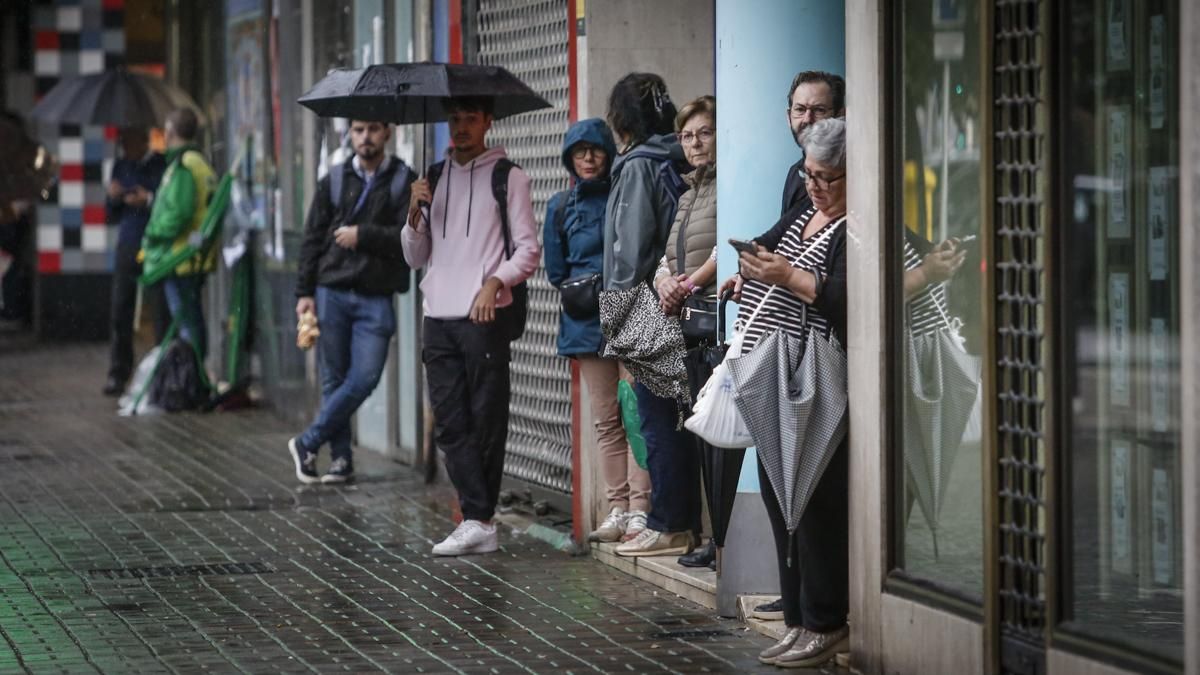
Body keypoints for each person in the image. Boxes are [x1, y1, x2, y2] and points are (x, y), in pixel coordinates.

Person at [721, 70, 846, 623]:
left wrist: (788, 277)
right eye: (799, 109)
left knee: (814, 499)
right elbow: (768, 243)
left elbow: (854, 294)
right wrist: (746, 270)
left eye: (825, 178)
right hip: (781, 367)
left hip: (822, 375)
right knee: (779, 488)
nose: (813, 186)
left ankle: (821, 619)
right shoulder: (803, 195)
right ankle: (797, 614)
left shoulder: (854, 222)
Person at [403, 97, 540, 557]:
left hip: (483, 316)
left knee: (485, 419)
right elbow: (415, 257)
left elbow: (528, 250)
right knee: (449, 422)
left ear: (487, 122)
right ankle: (478, 518)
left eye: (470, 119)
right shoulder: (432, 178)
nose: (460, 127)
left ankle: (478, 519)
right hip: (437, 316)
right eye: (454, 119)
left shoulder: (509, 177)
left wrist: (495, 282)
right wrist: (413, 215)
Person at [601, 72, 700, 558]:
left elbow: (630, 246)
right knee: (672, 419)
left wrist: (617, 318)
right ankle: (673, 520)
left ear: (621, 120)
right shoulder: (675, 157)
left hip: (645, 303)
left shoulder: (639, 164)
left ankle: (669, 523)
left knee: (657, 421)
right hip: (675, 299)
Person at [288, 119, 415, 485]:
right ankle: (341, 459)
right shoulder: (334, 180)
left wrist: (364, 235)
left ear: (387, 132)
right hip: (332, 292)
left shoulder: (404, 180)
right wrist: (304, 293)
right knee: (334, 378)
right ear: (350, 135)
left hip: (376, 296)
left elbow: (410, 240)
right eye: (358, 130)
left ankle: (308, 441)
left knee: (365, 377)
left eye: (373, 129)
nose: (365, 137)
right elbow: (312, 239)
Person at [544, 117, 652, 543]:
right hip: (586, 322)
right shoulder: (560, 206)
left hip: (631, 312)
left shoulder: (625, 193)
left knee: (636, 412)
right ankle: (617, 508)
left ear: (609, 153)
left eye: (596, 150)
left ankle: (641, 510)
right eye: (579, 152)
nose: (588, 158)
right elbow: (556, 271)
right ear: (569, 158)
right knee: (606, 420)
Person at [651, 95, 727, 570]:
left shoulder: (730, 184)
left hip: (717, 321)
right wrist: (663, 281)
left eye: (704, 133)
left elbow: (725, 247)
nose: (695, 143)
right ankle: (713, 535)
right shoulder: (686, 194)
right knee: (702, 431)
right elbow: (667, 254)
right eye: (687, 136)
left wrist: (688, 284)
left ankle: (723, 541)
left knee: (720, 432)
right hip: (690, 325)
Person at [140, 108, 216, 360]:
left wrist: (152, 233)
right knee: (190, 319)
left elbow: (178, 213)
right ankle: (193, 372)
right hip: (191, 254)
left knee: (186, 323)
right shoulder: (198, 161)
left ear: (170, 132)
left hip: (179, 256)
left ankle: (190, 374)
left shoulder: (183, 165)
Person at [104, 128, 168, 396]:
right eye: (121, 143)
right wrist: (113, 197)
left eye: (128, 141)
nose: (124, 147)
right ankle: (118, 372)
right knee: (121, 306)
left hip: (154, 241)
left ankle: (165, 369)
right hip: (128, 242)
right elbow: (111, 214)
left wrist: (147, 199)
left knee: (160, 307)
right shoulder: (120, 166)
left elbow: (166, 202)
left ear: (142, 140)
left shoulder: (160, 164)